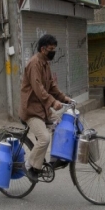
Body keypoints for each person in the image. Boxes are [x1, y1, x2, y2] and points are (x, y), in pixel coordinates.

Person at [20, 34, 73, 183]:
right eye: (51, 49)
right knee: (44, 138)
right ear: (43, 49)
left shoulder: (45, 63)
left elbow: (52, 86)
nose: (53, 52)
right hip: (31, 110)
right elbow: (38, 88)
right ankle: (28, 166)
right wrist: (52, 102)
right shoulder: (34, 64)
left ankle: (55, 158)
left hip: (42, 109)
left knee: (60, 125)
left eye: (54, 49)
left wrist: (64, 98)